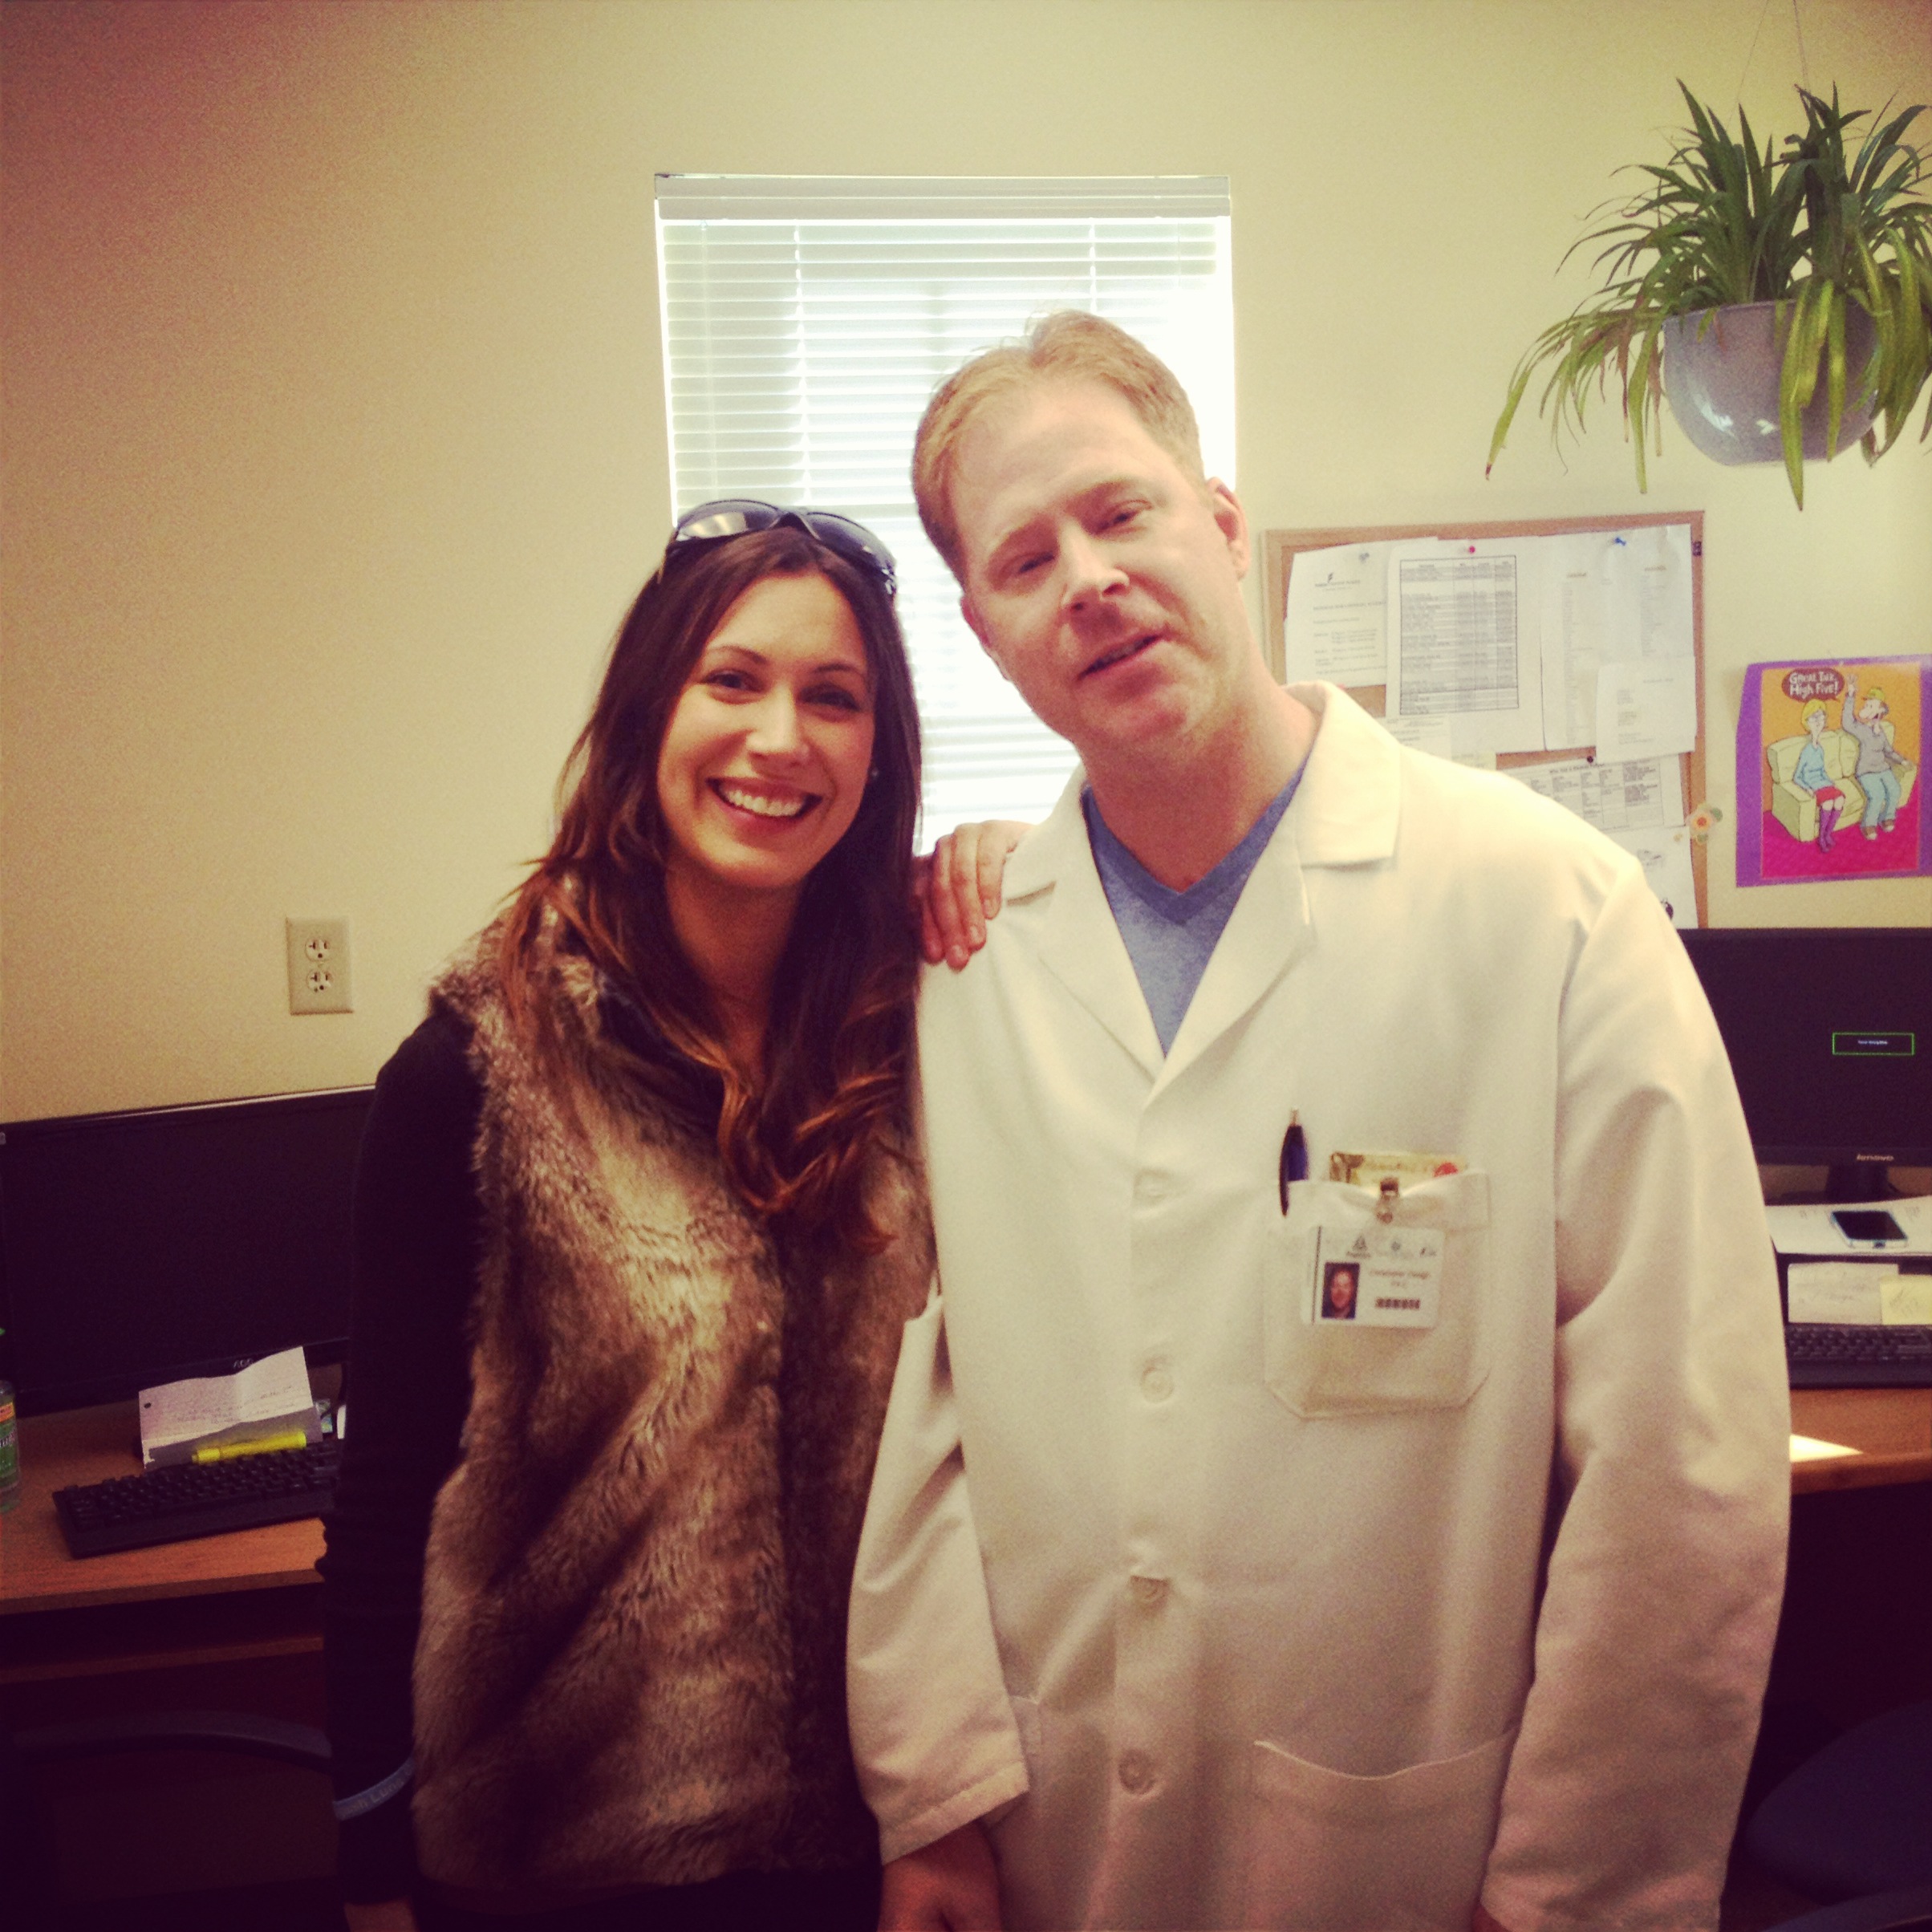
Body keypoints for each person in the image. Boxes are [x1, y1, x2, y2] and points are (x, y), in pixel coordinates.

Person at [847, 313, 1789, 1931]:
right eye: (1023, 559)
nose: (1086, 576)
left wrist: (1583, 1896)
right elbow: (912, 1416)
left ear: (1220, 525)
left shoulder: (1541, 909)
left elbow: (1680, 1471)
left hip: (1413, 1846)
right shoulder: (965, 965)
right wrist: (930, 1795)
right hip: (1047, 1845)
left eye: (1121, 511)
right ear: (985, 638)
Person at [323, 501, 999, 1932]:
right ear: (647, 714)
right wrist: (372, 1863)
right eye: (732, 680)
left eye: (835, 696)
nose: (780, 738)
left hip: (873, 1841)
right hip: (558, 1861)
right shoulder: (475, 1071)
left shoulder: (922, 1039)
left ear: (877, 753)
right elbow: (385, 1495)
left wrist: (1009, 865)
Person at [1840, 672, 1914, 839]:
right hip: (1866, 772)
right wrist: (1851, 694)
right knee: (1877, 794)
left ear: (1880, 710)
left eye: (1871, 705)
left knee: (1895, 789)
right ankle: (1869, 824)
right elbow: (1847, 722)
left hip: (1883, 768)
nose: (1866, 708)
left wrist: (1901, 760)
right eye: (1867, 704)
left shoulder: (1881, 733)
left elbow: (1889, 751)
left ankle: (1887, 818)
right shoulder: (1861, 729)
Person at [1788, 698, 1845, 850]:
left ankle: (1828, 834)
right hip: (1814, 786)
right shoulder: (1807, 750)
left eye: (1821, 717)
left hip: (1824, 783)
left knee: (1839, 800)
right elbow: (1796, 776)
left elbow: (1822, 770)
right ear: (1807, 722)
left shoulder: (1820, 749)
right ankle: (1821, 837)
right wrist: (1808, 789)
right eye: (1814, 718)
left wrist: (1830, 781)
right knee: (1828, 803)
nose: (1819, 721)